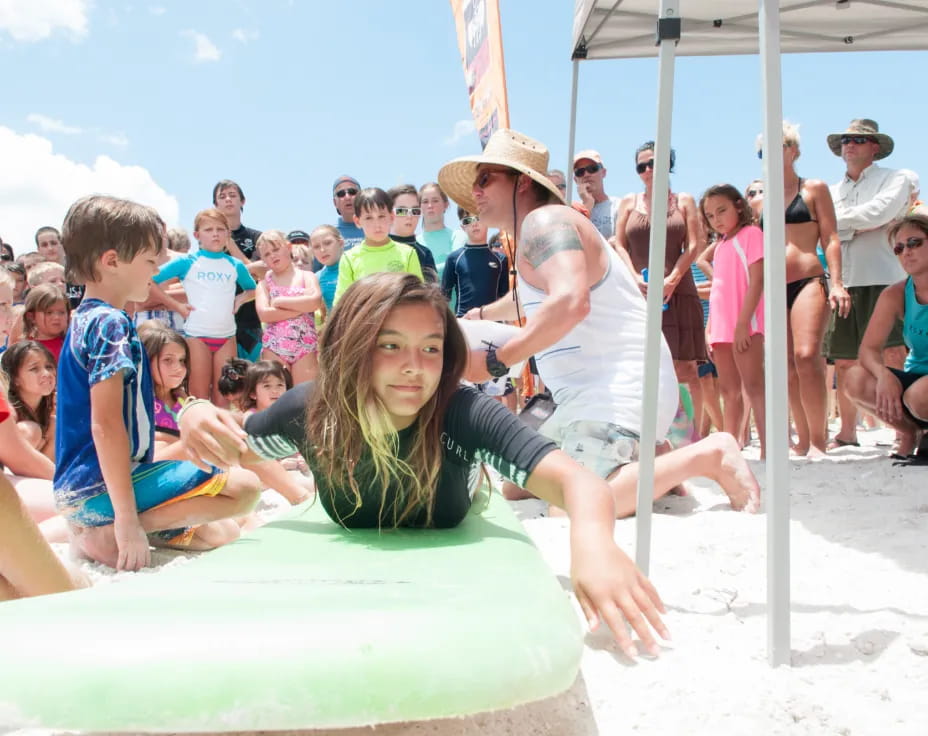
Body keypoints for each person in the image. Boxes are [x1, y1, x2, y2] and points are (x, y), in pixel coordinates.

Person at [180, 271, 668, 658]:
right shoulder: (312, 409)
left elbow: (579, 483)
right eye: (389, 345)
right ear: (350, 347)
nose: (414, 365)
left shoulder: (462, 410)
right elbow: (239, 447)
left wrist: (593, 547)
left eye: (431, 348)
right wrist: (194, 412)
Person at [437, 129, 760, 518]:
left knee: (571, 505)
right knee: (516, 485)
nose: (476, 190)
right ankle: (654, 461)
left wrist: (497, 360)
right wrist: (483, 315)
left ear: (521, 182)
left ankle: (708, 455)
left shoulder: (546, 223)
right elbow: (538, 296)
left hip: (614, 391)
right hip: (585, 397)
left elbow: (572, 301)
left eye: (485, 178)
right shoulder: (539, 230)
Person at [55, 194, 261, 570]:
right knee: (245, 489)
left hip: (80, 494)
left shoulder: (84, 319)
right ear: (112, 261)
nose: (155, 272)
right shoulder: (110, 324)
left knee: (224, 533)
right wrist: (129, 523)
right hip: (101, 491)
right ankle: (114, 531)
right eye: (150, 261)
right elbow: (106, 425)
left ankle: (114, 528)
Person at [759, 121, 850, 456]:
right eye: (762, 150)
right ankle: (801, 440)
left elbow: (831, 237)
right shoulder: (762, 198)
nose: (768, 153)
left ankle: (818, 439)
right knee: (785, 366)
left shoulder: (813, 188)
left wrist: (837, 282)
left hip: (809, 278)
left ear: (793, 150)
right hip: (773, 286)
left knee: (807, 355)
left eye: (776, 145)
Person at [826, 119, 911, 449]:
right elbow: (831, 225)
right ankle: (848, 432)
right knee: (845, 360)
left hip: (884, 278)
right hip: (843, 281)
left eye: (859, 140)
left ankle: (903, 428)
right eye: (847, 139)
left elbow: (879, 213)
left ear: (875, 147)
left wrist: (839, 225)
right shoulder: (831, 190)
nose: (850, 144)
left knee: (892, 354)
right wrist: (854, 225)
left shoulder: (895, 178)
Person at [614, 141, 707, 422]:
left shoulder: (684, 201)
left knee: (686, 369)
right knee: (645, 368)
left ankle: (691, 437)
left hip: (678, 292)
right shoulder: (628, 203)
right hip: (639, 294)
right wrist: (633, 278)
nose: (648, 170)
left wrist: (672, 279)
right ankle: (657, 432)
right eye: (642, 165)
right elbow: (619, 245)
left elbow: (695, 244)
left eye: (654, 162)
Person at [152, 208, 257, 406]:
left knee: (225, 398)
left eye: (220, 229)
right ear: (197, 235)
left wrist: (241, 298)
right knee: (198, 398)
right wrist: (175, 305)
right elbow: (150, 281)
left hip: (227, 338)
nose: (215, 234)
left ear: (228, 233)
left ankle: (221, 437)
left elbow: (253, 289)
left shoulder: (235, 265)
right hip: (197, 337)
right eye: (208, 229)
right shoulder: (187, 262)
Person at [845, 215, 928, 457]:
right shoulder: (896, 293)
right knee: (855, 379)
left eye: (914, 243)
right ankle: (910, 432)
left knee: (920, 395)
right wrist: (883, 375)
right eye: (899, 248)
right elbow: (868, 350)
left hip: (921, 392)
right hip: (916, 378)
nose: (906, 252)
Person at [701, 184, 768, 458]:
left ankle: (768, 448)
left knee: (754, 386)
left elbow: (757, 281)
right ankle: (731, 449)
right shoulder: (720, 245)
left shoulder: (752, 234)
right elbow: (718, 290)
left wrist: (743, 323)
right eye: (710, 215)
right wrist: (709, 328)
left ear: (739, 206)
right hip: (721, 327)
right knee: (728, 391)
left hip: (745, 325)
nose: (716, 219)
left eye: (721, 210)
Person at [333, 188, 424, 304]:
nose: (377, 225)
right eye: (369, 218)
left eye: (381, 216)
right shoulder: (349, 258)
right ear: (357, 221)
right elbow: (341, 303)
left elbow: (418, 296)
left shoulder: (408, 253)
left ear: (391, 217)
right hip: (363, 320)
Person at [255, 230, 321, 384]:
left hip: (305, 347)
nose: (273, 255)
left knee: (303, 398)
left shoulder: (307, 276)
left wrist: (279, 302)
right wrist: (301, 308)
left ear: (288, 247)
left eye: (276, 249)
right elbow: (264, 314)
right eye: (267, 254)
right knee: (278, 398)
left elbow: (315, 302)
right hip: (275, 347)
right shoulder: (264, 284)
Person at [213, 179, 264, 362]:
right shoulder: (210, 238)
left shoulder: (257, 236)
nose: (228, 199)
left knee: (256, 379)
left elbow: (260, 275)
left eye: (233, 195)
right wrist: (249, 266)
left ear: (242, 201)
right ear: (216, 205)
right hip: (219, 320)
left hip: (251, 320)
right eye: (222, 196)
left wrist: (230, 244)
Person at [442, 208, 509, 317]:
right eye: (468, 221)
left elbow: (505, 297)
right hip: (463, 322)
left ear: (488, 220)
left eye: (478, 218)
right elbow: (444, 298)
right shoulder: (454, 259)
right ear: (463, 227)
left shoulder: (501, 260)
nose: (474, 224)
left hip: (494, 323)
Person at [1, 341, 57, 461]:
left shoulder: (49, 412)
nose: (46, 374)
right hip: (7, 474)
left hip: (35, 475)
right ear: (15, 378)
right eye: (34, 369)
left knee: (54, 425)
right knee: (31, 430)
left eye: (49, 367)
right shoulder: (10, 412)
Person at [387, 184, 439, 282]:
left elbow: (431, 291)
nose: (409, 216)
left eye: (415, 211)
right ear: (389, 213)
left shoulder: (424, 253)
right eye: (402, 211)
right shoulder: (377, 248)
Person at [418, 182, 466, 277]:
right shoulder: (415, 243)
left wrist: (421, 272)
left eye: (435, 201)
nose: (430, 206)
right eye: (425, 201)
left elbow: (455, 266)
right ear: (419, 207)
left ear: (446, 205)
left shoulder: (458, 236)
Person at [572, 149, 621, 239]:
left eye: (592, 169)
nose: (586, 174)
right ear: (575, 180)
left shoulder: (619, 205)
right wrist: (586, 205)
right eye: (580, 172)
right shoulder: (572, 211)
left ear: (603, 173)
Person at [22, 284, 70, 363]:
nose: (56, 317)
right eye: (49, 312)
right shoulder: (25, 349)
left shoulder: (72, 345)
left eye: (61, 312)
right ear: (31, 317)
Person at [309, 225, 344, 314]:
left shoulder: (357, 267)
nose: (322, 250)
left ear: (341, 243)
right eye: (316, 247)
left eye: (327, 243)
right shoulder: (316, 278)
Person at [332, 175, 365, 251]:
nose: (347, 197)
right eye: (341, 194)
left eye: (352, 192)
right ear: (335, 203)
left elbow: (397, 212)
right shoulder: (329, 235)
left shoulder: (379, 224)